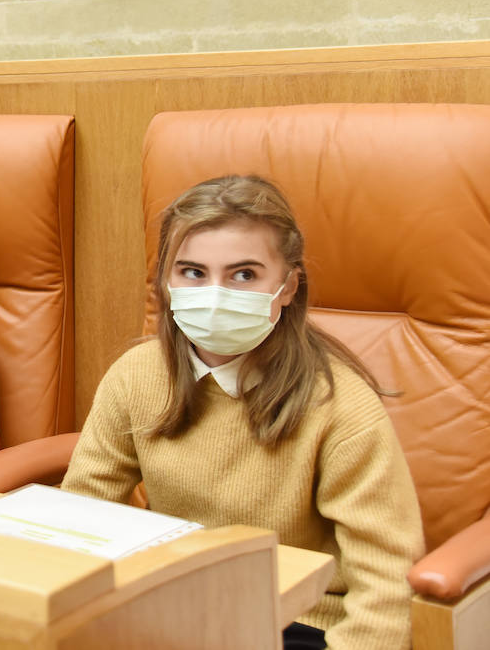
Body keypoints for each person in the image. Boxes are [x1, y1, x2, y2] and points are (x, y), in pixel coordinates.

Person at [62, 175, 423, 650]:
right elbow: (76, 520)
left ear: (288, 286)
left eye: (244, 275)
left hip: (294, 620)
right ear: (165, 283)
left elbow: (386, 585)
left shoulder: (341, 406)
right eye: (193, 272)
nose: (214, 294)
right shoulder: (136, 375)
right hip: (169, 610)